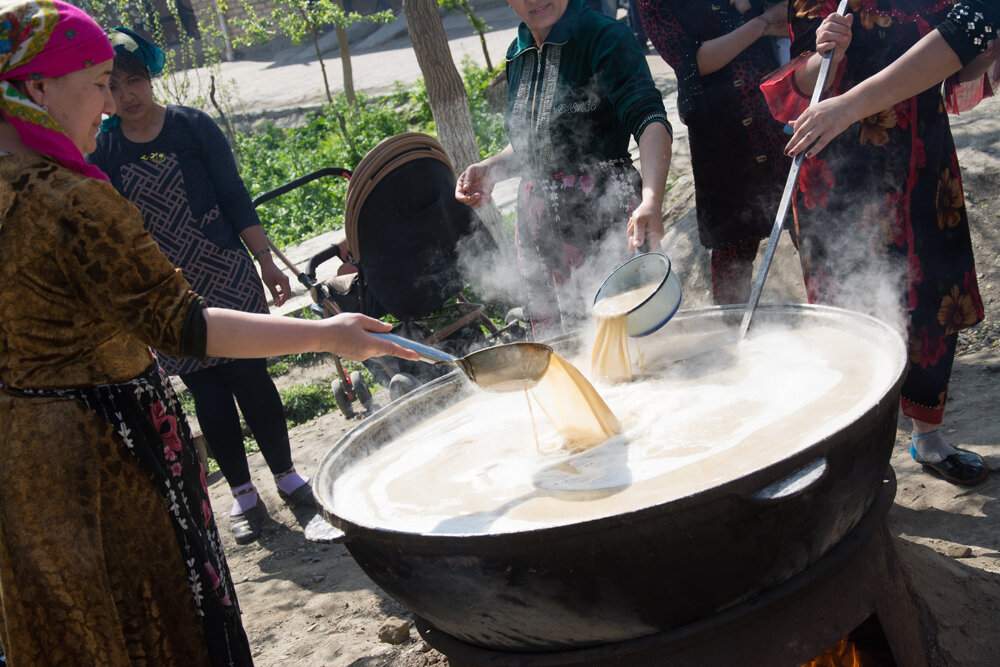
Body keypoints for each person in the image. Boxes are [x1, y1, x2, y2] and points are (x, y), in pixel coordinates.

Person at [0, 2, 417, 664]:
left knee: (72, 628)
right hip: (104, 457)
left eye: (117, 81)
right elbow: (185, 325)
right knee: (151, 619)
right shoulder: (67, 196)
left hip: (23, 460)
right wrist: (331, 334)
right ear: (36, 87)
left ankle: (279, 478)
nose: (109, 104)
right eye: (97, 81)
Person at [87, 28, 308, 545]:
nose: (127, 96)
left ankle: (287, 475)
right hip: (166, 292)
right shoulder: (105, 149)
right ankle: (243, 493)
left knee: (253, 381)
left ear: (150, 77)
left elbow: (233, 195)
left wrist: (266, 261)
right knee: (207, 394)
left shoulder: (192, 127)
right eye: (113, 88)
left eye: (135, 81)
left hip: (227, 272)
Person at [759, 1, 994, 485]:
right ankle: (856, 455)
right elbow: (801, 85)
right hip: (842, 177)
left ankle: (928, 440)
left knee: (934, 300)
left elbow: (954, 64)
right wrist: (825, 57)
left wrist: (988, 45)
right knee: (851, 316)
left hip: (926, 168)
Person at [454, 0, 673, 339]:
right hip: (537, 227)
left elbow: (650, 120)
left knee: (625, 338)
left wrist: (651, 200)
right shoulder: (518, 53)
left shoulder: (604, 37)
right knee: (558, 345)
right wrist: (491, 169)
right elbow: (535, 140)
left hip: (604, 215)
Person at [637, 0, 792, 305]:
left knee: (810, 224)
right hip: (721, 132)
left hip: (779, 114)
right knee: (733, 245)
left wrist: (758, 15)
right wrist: (760, 25)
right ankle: (731, 335)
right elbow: (692, 62)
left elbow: (790, 17)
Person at [784, 0, 1000, 158]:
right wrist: (827, 56)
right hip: (848, 151)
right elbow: (804, 85)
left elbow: (956, 58)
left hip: (928, 147)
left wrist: (986, 53)